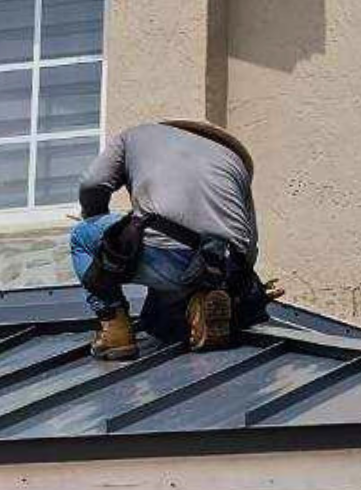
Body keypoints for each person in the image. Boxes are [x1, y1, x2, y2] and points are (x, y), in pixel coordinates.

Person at [69, 119, 279, 360]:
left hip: (167, 256)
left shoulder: (136, 136)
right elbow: (249, 246)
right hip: (224, 267)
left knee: (81, 236)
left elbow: (92, 183)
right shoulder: (234, 160)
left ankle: (115, 329)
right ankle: (201, 300)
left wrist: (99, 226)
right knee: (170, 301)